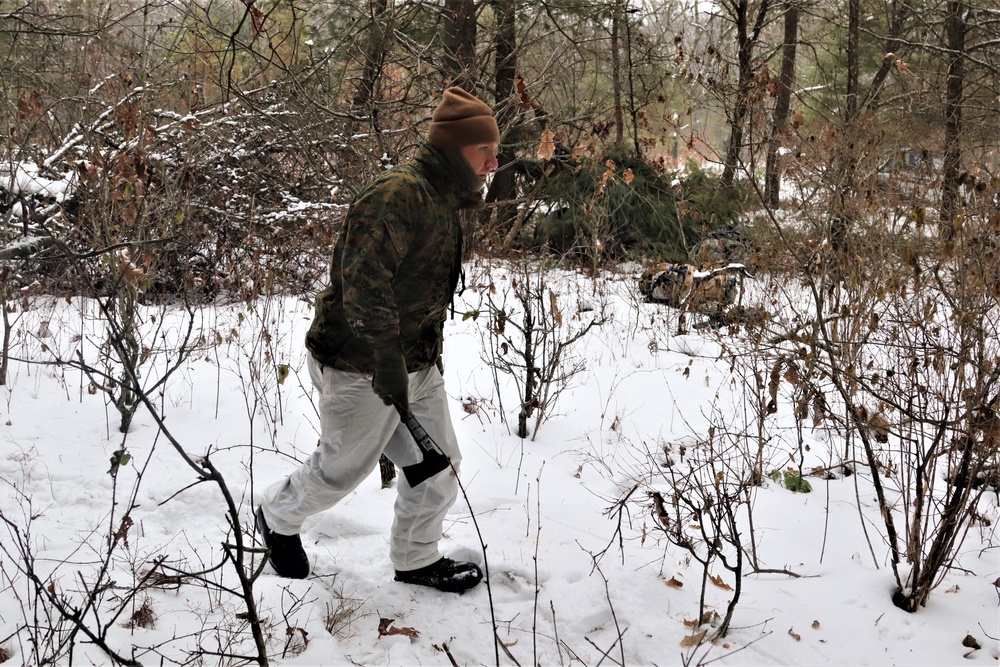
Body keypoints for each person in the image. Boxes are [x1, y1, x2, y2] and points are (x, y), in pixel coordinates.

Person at [255, 86, 499, 594]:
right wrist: (387, 360)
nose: (493, 161)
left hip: (413, 363)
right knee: (340, 473)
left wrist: (418, 359)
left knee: (438, 465)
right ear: (456, 148)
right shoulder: (398, 194)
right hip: (360, 365)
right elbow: (363, 283)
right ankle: (277, 518)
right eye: (484, 150)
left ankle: (415, 559)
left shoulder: (443, 200)